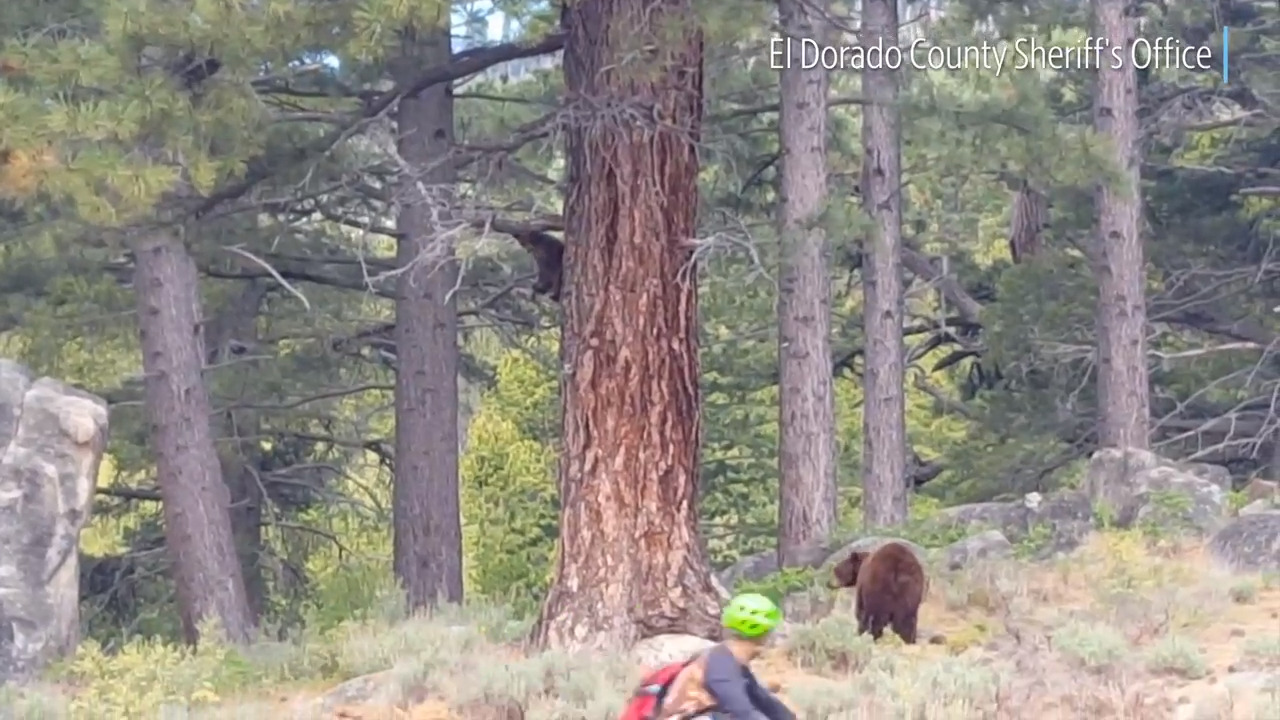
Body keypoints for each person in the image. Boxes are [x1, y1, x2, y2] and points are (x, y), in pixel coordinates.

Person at [654, 593, 797, 720]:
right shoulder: (721, 666)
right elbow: (744, 713)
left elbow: (763, 700)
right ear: (763, 634)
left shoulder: (731, 661)